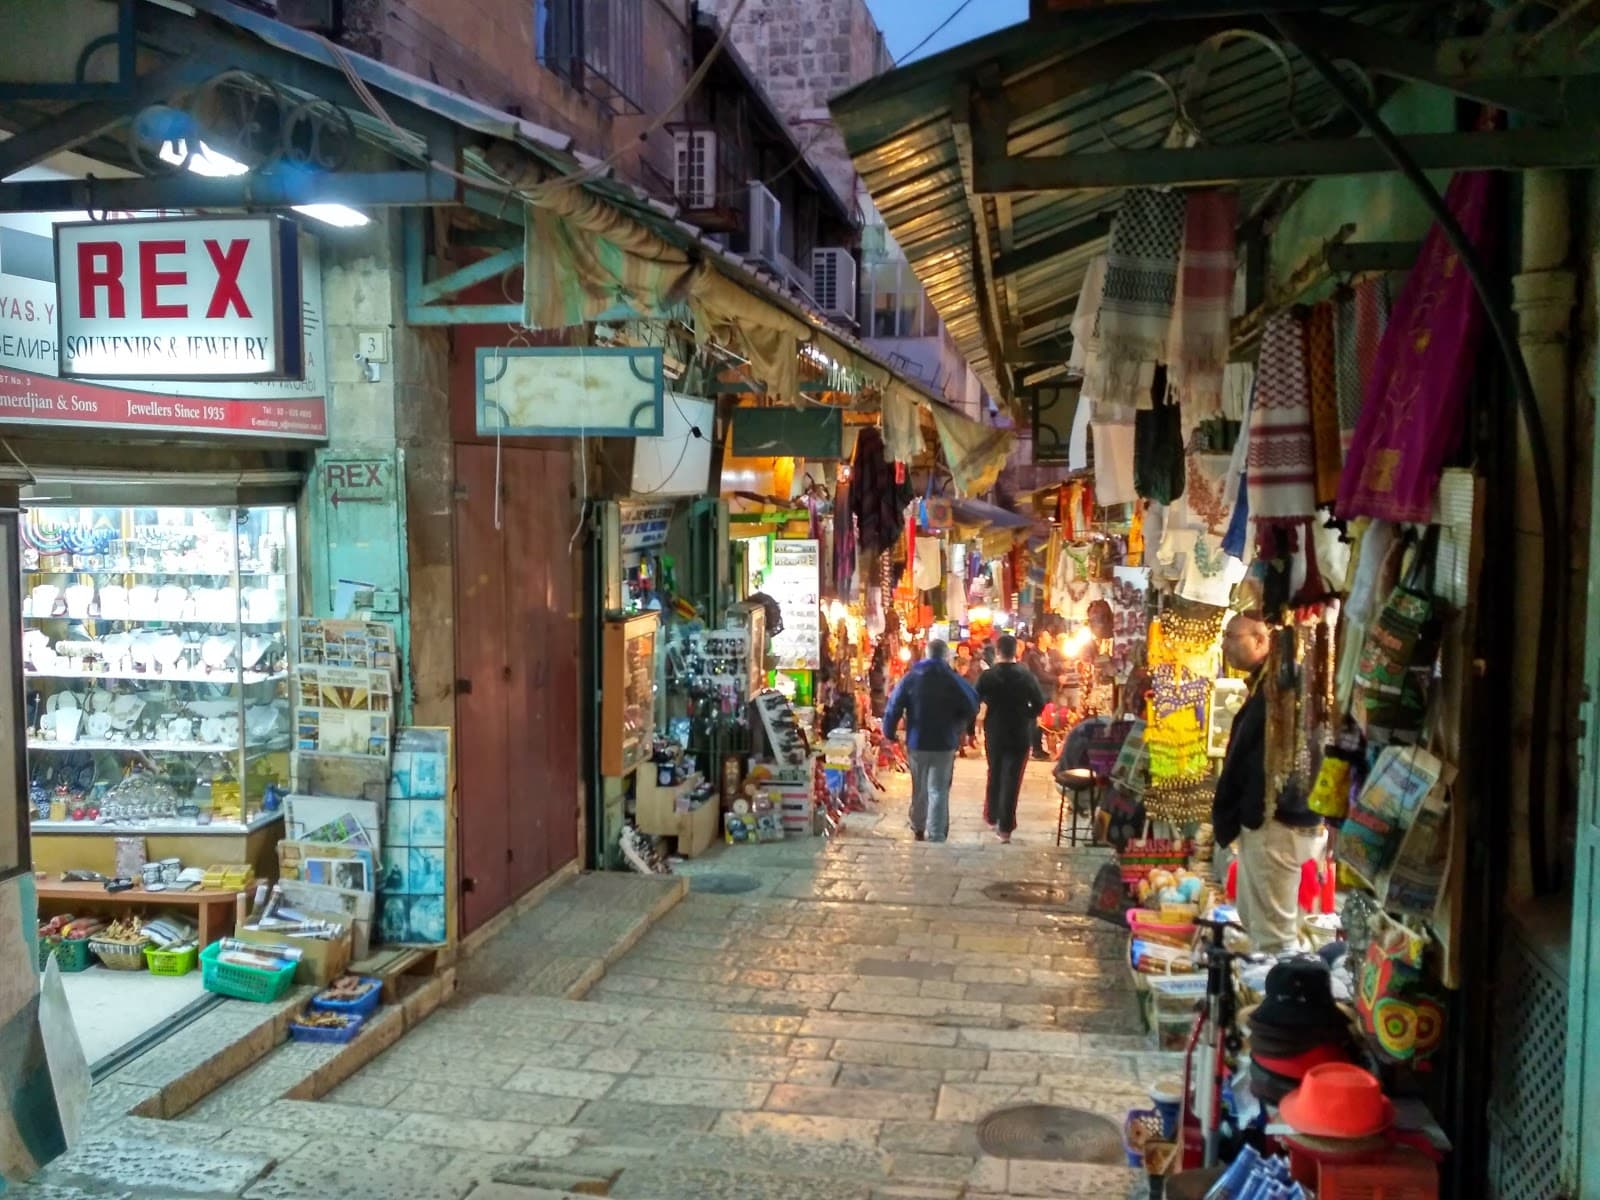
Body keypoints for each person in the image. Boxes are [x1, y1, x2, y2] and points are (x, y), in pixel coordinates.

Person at [1212, 612, 1328, 956]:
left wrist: (1256, 811)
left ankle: (1281, 998)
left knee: (1274, 933)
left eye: (1232, 637)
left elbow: (1277, 761)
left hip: (1277, 821)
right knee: (1261, 919)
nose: (1224, 645)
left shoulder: (1284, 689)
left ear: (1261, 641)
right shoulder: (1272, 685)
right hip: (1273, 819)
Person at [882, 640, 979, 843]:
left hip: (917, 741)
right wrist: (959, 724)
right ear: (945, 656)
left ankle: (918, 826)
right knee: (939, 789)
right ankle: (936, 834)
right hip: (944, 742)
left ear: (926, 654)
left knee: (919, 787)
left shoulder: (912, 677)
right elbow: (972, 703)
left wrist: (889, 732)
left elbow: (893, 706)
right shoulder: (952, 679)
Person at [974, 634, 1046, 843]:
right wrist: (1028, 715)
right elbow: (1040, 702)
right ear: (1016, 651)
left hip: (995, 731)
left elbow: (973, 698)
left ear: (998, 651)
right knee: (1012, 778)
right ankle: (1005, 828)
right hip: (1019, 732)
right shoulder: (1026, 675)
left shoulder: (988, 676)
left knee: (994, 772)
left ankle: (992, 816)